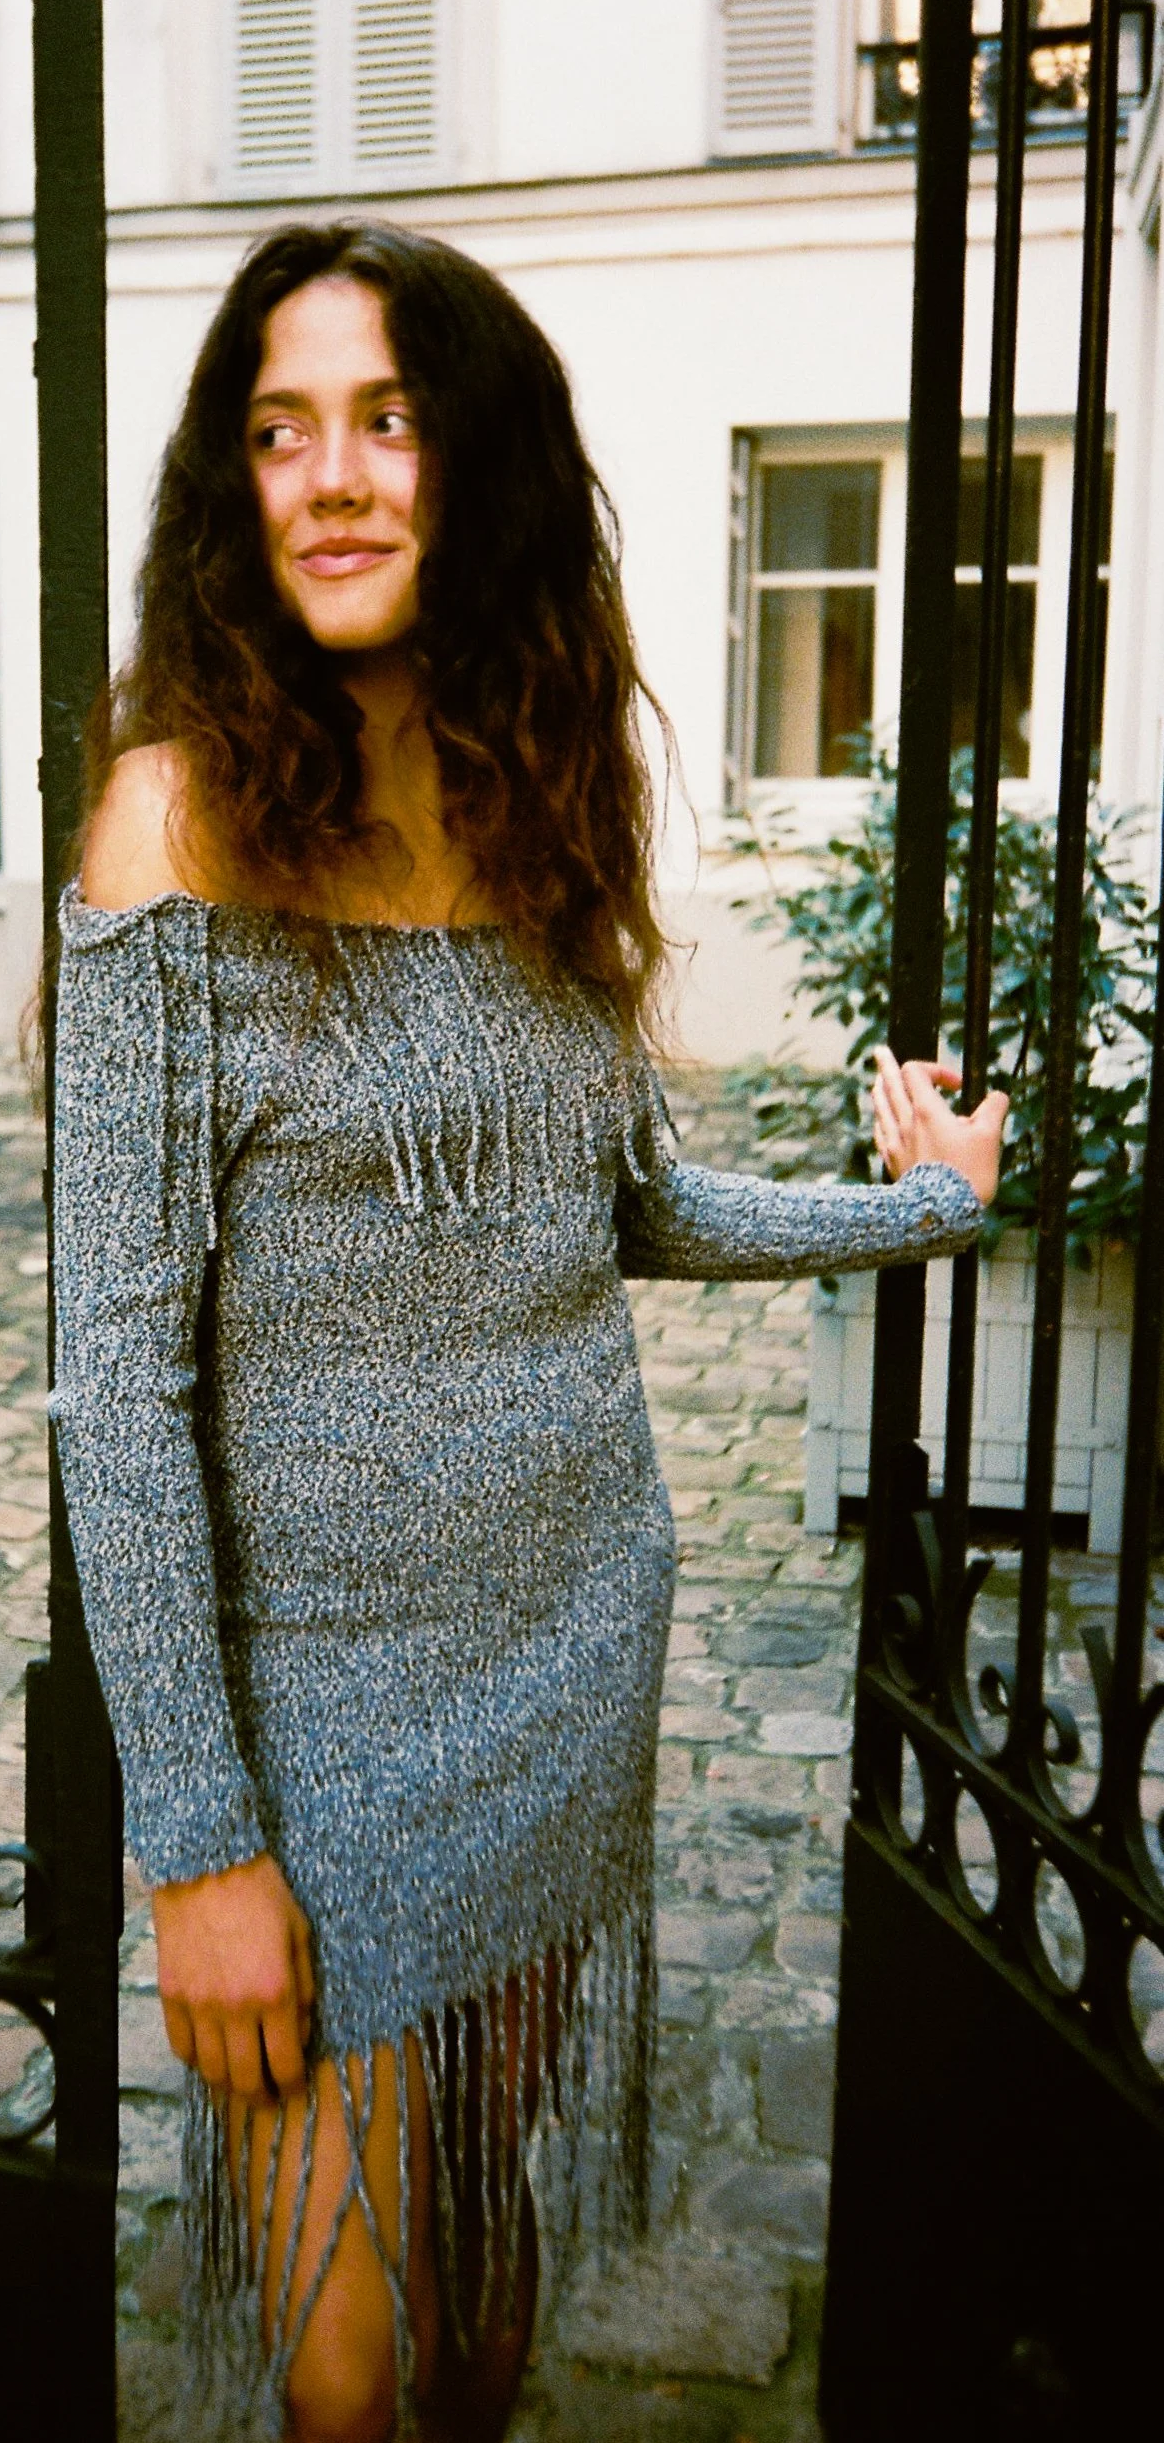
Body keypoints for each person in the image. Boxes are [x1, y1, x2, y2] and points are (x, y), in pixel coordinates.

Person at [50, 222, 1006, 2443]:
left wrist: (923, 1206)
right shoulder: (172, 830)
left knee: (481, 2297)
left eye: (387, 420)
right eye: (278, 431)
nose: (331, 476)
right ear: (230, 487)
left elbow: (635, 1209)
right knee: (346, 2383)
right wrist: (199, 1846)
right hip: (316, 1712)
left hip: (566, 1649)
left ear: (477, 464)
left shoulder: (532, 810)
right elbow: (121, 1387)